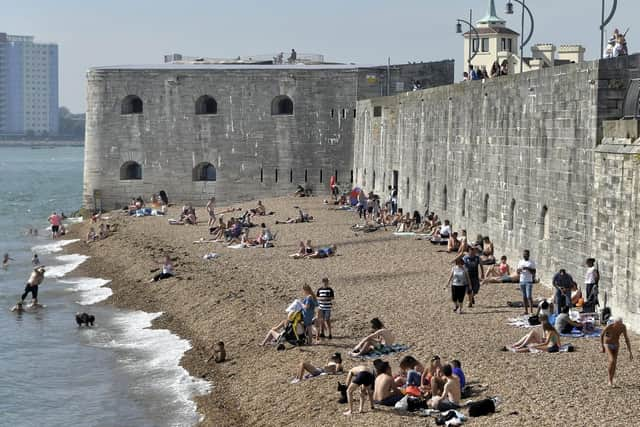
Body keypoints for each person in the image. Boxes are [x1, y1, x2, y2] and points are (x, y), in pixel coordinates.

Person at [601, 317, 633, 386]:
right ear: (615, 323)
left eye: (620, 324)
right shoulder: (610, 326)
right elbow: (602, 334)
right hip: (607, 344)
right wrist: (602, 347)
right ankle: (609, 380)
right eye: (617, 324)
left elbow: (626, 339)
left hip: (616, 345)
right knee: (611, 360)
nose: (619, 326)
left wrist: (630, 352)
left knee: (614, 363)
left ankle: (612, 379)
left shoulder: (623, 327)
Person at [517, 250, 537, 315]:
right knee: (524, 296)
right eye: (524, 254)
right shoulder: (520, 262)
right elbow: (517, 271)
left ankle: (531, 311)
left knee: (529, 296)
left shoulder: (531, 262)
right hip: (522, 280)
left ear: (528, 255)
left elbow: (534, 272)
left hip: (529, 281)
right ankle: (526, 311)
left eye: (526, 254)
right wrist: (519, 270)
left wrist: (528, 268)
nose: (524, 255)